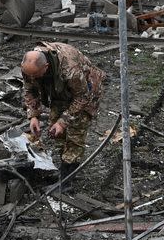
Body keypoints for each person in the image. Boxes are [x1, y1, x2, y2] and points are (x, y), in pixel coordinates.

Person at [21, 42, 106, 180]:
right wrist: (34, 116)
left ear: (46, 67)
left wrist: (63, 122)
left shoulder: (70, 69)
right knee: (56, 132)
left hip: (87, 92)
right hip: (59, 91)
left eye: (36, 76)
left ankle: (67, 180)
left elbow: (82, 97)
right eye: (30, 76)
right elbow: (29, 90)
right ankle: (65, 165)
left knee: (75, 134)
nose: (32, 79)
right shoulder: (29, 68)